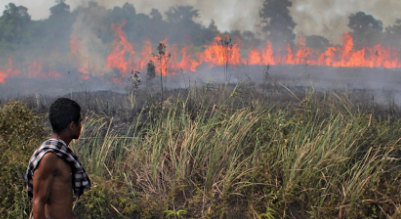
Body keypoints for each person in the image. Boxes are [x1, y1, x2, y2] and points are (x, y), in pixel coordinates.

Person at [25, 98, 91, 219]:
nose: (81, 127)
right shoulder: (49, 157)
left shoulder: (62, 153)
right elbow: (38, 202)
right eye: (79, 122)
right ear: (72, 126)